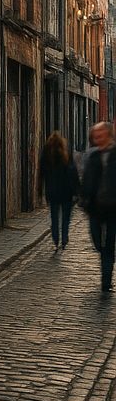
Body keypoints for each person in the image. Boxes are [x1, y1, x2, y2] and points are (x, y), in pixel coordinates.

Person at [81, 121, 116, 294]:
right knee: (96, 240)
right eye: (95, 136)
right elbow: (87, 179)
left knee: (109, 243)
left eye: (99, 136)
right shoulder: (92, 156)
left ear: (109, 135)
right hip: (94, 207)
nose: (96, 138)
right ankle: (105, 256)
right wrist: (84, 199)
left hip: (112, 208)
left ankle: (106, 280)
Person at [36, 131, 80, 251]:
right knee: (66, 217)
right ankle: (64, 237)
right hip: (66, 192)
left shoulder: (45, 158)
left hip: (52, 192)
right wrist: (77, 189)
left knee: (54, 216)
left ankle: (55, 238)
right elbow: (73, 174)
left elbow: (41, 176)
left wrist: (40, 192)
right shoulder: (67, 156)